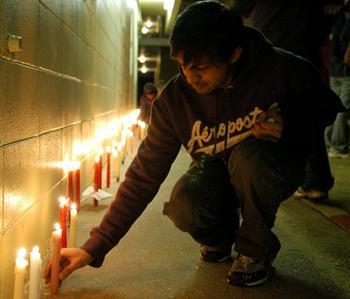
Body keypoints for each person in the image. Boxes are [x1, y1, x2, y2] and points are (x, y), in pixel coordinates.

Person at [44, 1, 344, 288]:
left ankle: (255, 250)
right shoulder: (174, 101)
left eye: (202, 67)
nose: (190, 77)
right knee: (184, 203)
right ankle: (219, 237)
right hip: (216, 170)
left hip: (270, 165)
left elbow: (327, 109)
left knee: (250, 156)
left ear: (235, 54)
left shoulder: (282, 69)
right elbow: (144, 175)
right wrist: (94, 247)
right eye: (183, 65)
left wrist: (288, 129)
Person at [233, 0, 336, 200]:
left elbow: (241, 6)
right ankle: (316, 183)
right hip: (307, 49)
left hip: (274, 47)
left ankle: (266, 180)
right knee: (306, 117)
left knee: (264, 116)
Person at [325, 0, 350, 158]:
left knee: (334, 106)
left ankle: (328, 142)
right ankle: (338, 146)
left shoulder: (339, 15)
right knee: (343, 108)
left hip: (334, 67)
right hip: (346, 70)